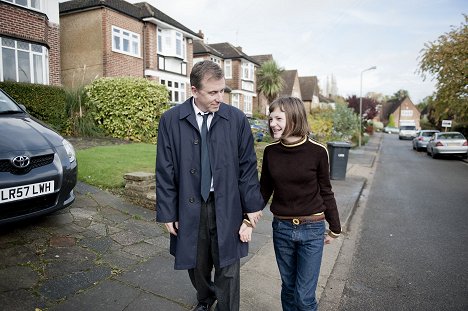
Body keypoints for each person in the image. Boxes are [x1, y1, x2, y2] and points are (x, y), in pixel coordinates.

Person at [155, 60, 264, 311]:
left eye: (222, 91)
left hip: (227, 204)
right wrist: (168, 212)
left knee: (228, 265)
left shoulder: (235, 119)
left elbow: (247, 166)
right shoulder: (171, 120)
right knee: (196, 263)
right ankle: (205, 299)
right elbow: (165, 168)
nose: (219, 97)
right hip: (190, 205)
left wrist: (252, 206)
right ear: (193, 90)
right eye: (212, 92)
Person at [259, 96, 341, 311]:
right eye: (270, 119)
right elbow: (264, 189)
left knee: (304, 297)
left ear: (294, 118)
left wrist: (335, 228)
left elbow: (326, 191)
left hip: (312, 228)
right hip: (282, 228)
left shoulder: (318, 151)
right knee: (288, 288)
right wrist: (247, 217)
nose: (272, 124)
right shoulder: (270, 152)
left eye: (278, 118)